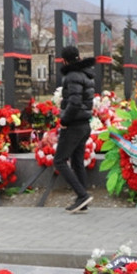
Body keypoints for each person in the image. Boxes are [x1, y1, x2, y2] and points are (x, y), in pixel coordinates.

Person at [56, 45, 95, 213]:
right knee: (78, 161)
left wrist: (64, 119)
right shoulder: (87, 73)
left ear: (64, 60)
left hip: (74, 124)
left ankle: (82, 194)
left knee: (59, 160)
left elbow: (74, 102)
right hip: (84, 123)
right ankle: (82, 200)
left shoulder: (72, 76)